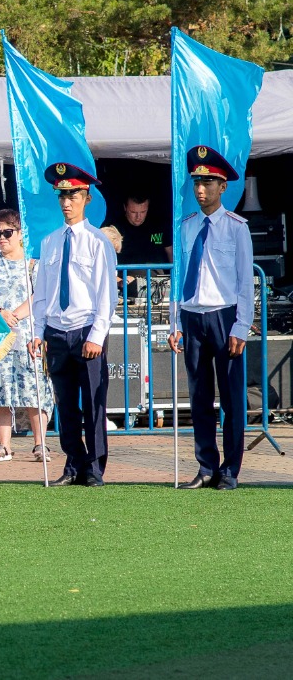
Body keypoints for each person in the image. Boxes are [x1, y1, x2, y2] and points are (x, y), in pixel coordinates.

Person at [169, 147, 253, 491]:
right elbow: (178, 276)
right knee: (199, 397)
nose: (200, 190)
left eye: (207, 183)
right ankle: (206, 465)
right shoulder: (185, 227)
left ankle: (230, 469)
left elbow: (246, 280)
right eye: (196, 183)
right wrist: (174, 322)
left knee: (232, 398)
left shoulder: (236, 228)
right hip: (192, 315)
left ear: (222, 187)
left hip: (224, 315)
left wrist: (241, 325)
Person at [28, 163, 117, 488]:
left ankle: (94, 467)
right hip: (57, 333)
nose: (67, 202)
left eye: (73, 195)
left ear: (87, 198)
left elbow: (107, 294)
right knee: (65, 405)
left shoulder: (97, 242)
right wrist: (37, 332)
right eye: (62, 195)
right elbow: (42, 293)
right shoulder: (50, 242)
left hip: (85, 331)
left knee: (93, 404)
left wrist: (97, 335)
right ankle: (72, 462)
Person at [0, 210, 54, 463]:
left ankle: (40, 444)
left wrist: (15, 316)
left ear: (20, 234)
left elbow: (40, 296)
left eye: (8, 233)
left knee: (35, 390)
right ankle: (3, 445)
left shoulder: (33, 265)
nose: (2, 238)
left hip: (30, 337)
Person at [109, 193, 171, 265]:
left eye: (143, 212)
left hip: (156, 275)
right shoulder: (115, 229)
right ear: (125, 208)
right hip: (124, 275)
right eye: (133, 212)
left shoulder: (159, 226)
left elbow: (171, 253)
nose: (138, 217)